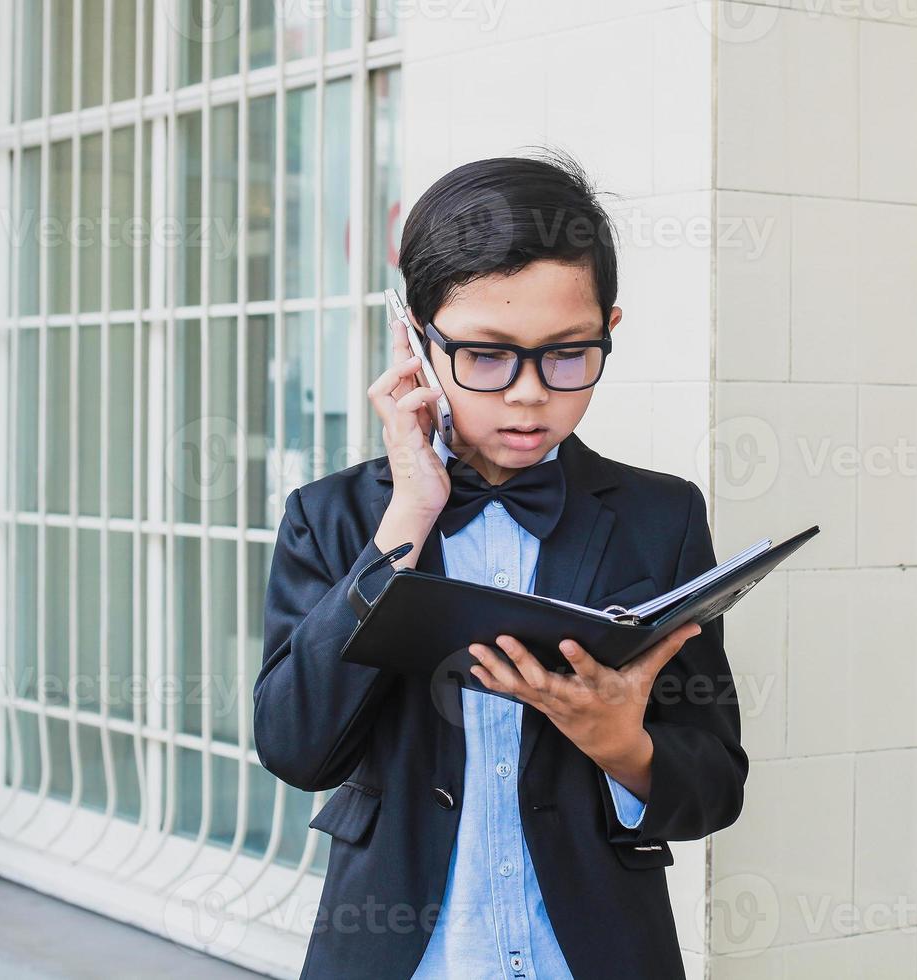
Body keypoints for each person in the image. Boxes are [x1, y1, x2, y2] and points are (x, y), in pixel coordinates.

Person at [253, 148, 748, 979]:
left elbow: (716, 782)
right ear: (413, 338)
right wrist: (406, 518)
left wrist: (623, 743)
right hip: (404, 955)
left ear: (608, 331)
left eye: (567, 354)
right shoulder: (333, 518)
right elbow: (297, 748)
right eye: (486, 355)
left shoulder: (660, 519)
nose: (529, 394)